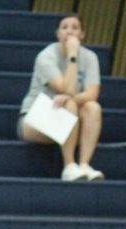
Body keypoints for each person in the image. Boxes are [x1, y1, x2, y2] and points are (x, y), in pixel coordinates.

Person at [18, 14, 105, 182]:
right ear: (58, 34)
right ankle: (69, 166)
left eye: (75, 28)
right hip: (35, 117)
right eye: (65, 28)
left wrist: (69, 98)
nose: (69, 32)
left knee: (93, 107)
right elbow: (67, 88)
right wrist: (72, 55)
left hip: (68, 117)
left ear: (82, 34)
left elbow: (92, 94)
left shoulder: (90, 57)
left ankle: (84, 165)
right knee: (70, 105)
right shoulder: (46, 56)